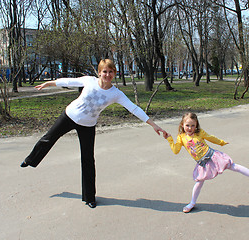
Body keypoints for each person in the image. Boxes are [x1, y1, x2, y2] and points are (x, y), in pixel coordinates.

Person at [20, 59, 166, 209]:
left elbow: (134, 109)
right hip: (69, 116)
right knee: (48, 139)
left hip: (88, 125)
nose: (107, 75)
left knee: (88, 160)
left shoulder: (116, 93)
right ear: (99, 72)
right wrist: (48, 84)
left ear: (115, 73)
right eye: (104, 71)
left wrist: (153, 124)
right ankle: (30, 160)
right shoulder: (89, 81)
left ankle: (89, 197)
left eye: (110, 72)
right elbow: (69, 81)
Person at [164, 112, 249, 213]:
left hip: (213, 157)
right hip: (202, 163)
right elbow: (175, 150)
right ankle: (192, 203)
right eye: (187, 125)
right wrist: (170, 139)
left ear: (196, 125)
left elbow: (211, 138)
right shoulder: (181, 137)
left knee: (233, 166)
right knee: (199, 182)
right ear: (182, 124)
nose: (190, 128)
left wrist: (221, 142)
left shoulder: (199, 133)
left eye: (193, 125)